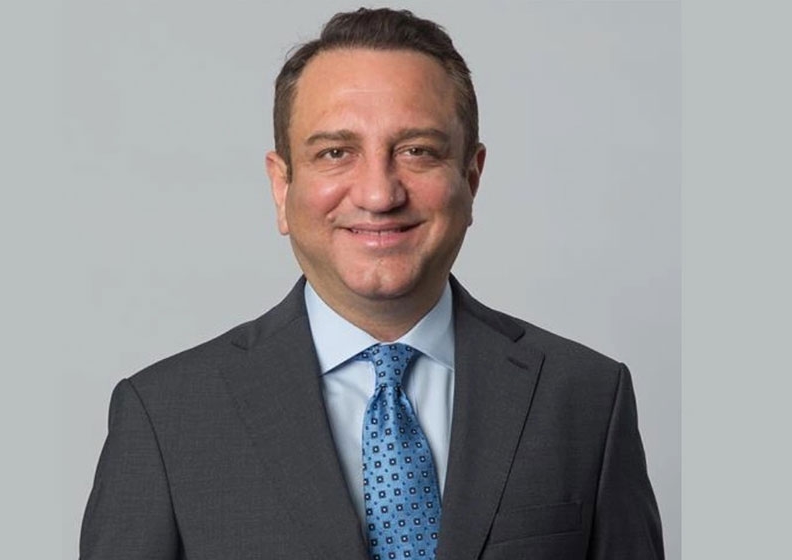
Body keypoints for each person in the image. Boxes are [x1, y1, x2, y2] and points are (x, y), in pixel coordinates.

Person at [79, 7, 664, 560]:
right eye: (336, 152)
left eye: (417, 151)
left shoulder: (587, 398)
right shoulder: (166, 418)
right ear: (282, 187)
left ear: (471, 177)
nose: (380, 194)